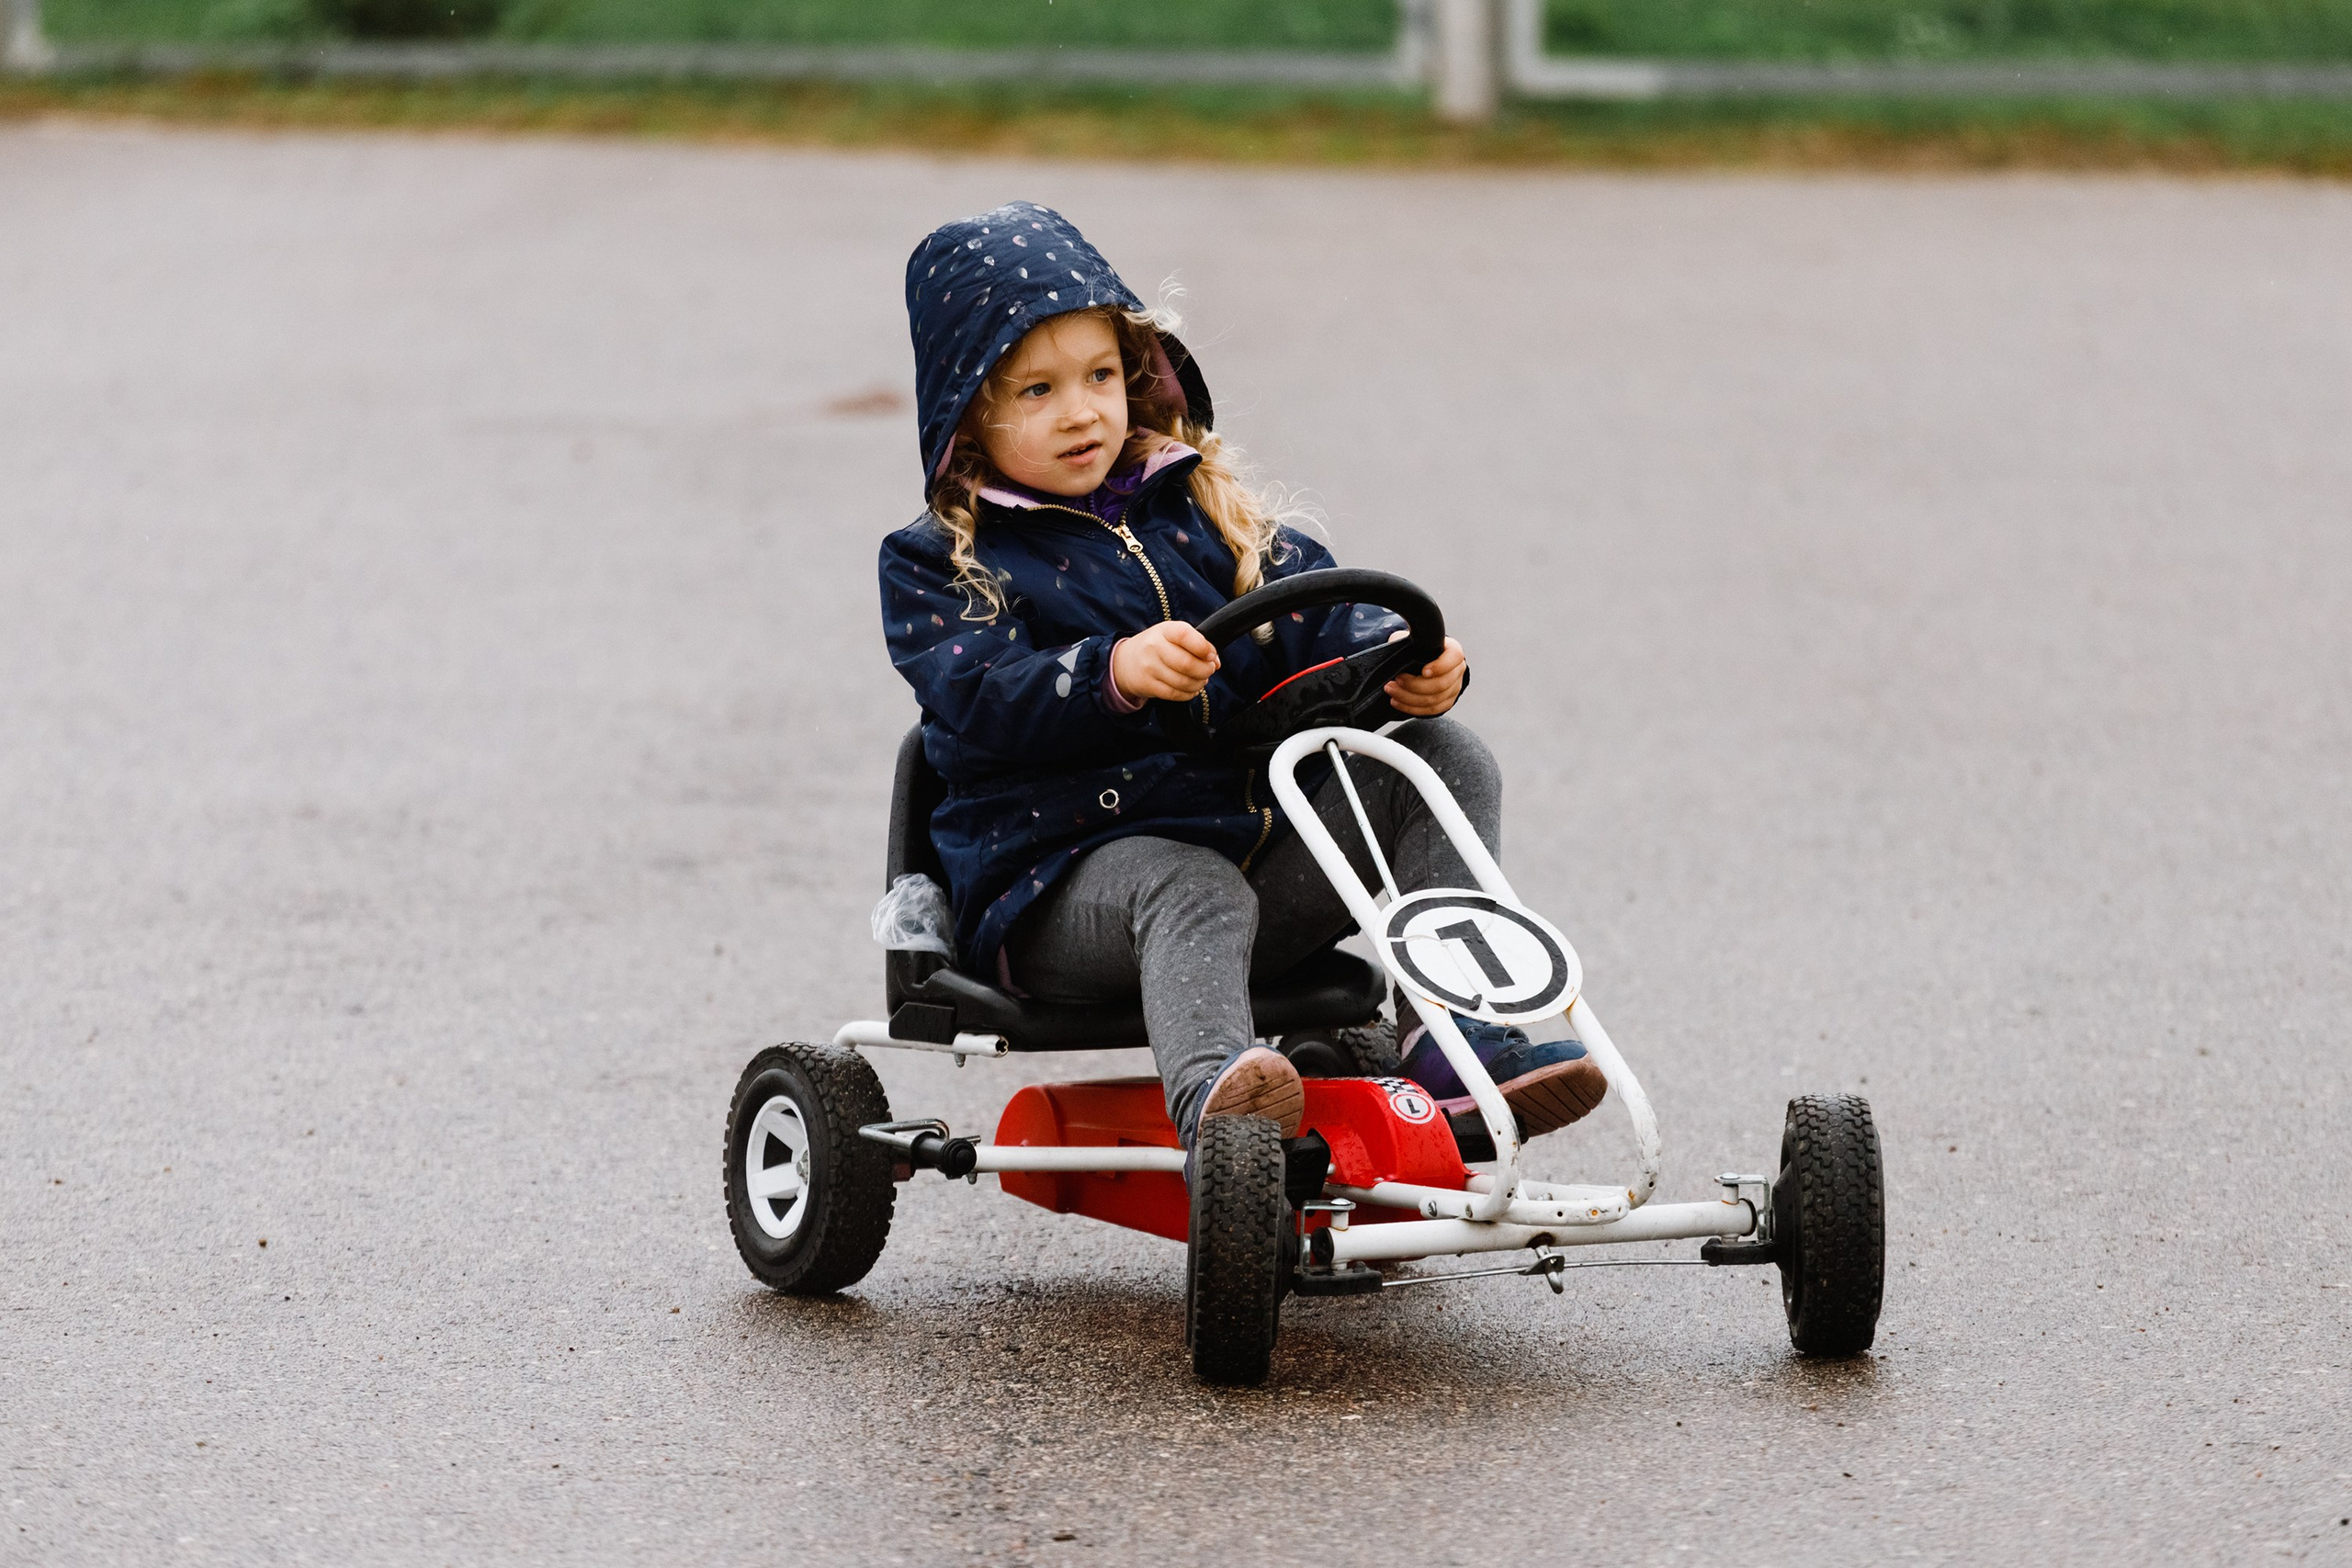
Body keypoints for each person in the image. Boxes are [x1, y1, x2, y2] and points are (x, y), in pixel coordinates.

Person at [879, 202, 1605, 1153]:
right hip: (1055, 890)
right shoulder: (940, 560)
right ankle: (1222, 1112)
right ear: (971, 413)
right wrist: (1114, 673)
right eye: (1036, 391)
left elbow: (1322, 615)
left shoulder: (1201, 509)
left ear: (1135, 373)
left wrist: (1407, 665)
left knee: (1443, 757)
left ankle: (1454, 1043)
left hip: (1252, 853)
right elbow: (977, 696)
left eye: (1099, 376)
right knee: (1188, 882)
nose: (1081, 411)